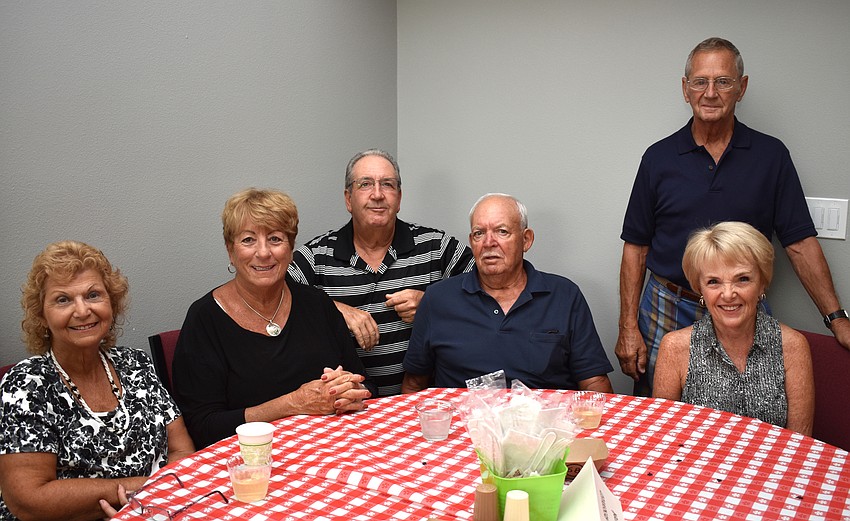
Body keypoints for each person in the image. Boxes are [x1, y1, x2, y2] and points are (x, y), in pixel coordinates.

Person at [617, 37, 849, 397]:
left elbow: (800, 243)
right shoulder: (658, 158)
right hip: (668, 304)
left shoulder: (771, 156)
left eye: (723, 81)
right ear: (685, 89)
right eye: (700, 81)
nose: (710, 92)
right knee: (661, 414)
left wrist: (836, 318)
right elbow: (636, 247)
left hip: (742, 304)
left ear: (741, 88)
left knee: (755, 405)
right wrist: (628, 326)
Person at [0, 241, 195, 521]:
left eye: (93, 295)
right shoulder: (27, 384)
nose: (82, 311)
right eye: (63, 299)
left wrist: (155, 504)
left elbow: (182, 449)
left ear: (111, 304)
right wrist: (138, 491)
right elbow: (28, 500)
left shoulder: (135, 364)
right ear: (42, 315)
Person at [172, 188, 375, 448]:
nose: (264, 252)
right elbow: (202, 428)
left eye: (275, 239)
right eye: (248, 240)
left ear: (290, 249)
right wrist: (291, 404)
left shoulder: (318, 304)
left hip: (329, 448)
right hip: (251, 461)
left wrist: (348, 392)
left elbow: (365, 383)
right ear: (230, 251)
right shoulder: (204, 319)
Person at [288, 149, 474, 396]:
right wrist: (333, 309)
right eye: (365, 184)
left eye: (387, 184)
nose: (377, 194)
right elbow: (274, 295)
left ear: (398, 198)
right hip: (344, 405)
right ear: (348, 198)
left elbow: (487, 287)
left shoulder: (436, 247)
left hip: (422, 402)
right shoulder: (317, 255)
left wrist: (432, 303)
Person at [402, 193, 614, 393]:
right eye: (479, 233)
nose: (488, 242)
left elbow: (594, 381)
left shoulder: (565, 295)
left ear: (526, 240)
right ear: (471, 242)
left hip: (545, 427)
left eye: (502, 231)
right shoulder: (438, 299)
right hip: (464, 426)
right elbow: (414, 384)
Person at [653, 222, 814, 435]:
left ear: (762, 284)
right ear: (699, 288)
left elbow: (800, 443)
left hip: (772, 466)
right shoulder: (674, 347)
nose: (728, 294)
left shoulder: (793, 346)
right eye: (713, 282)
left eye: (742, 279)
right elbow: (665, 435)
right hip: (696, 465)